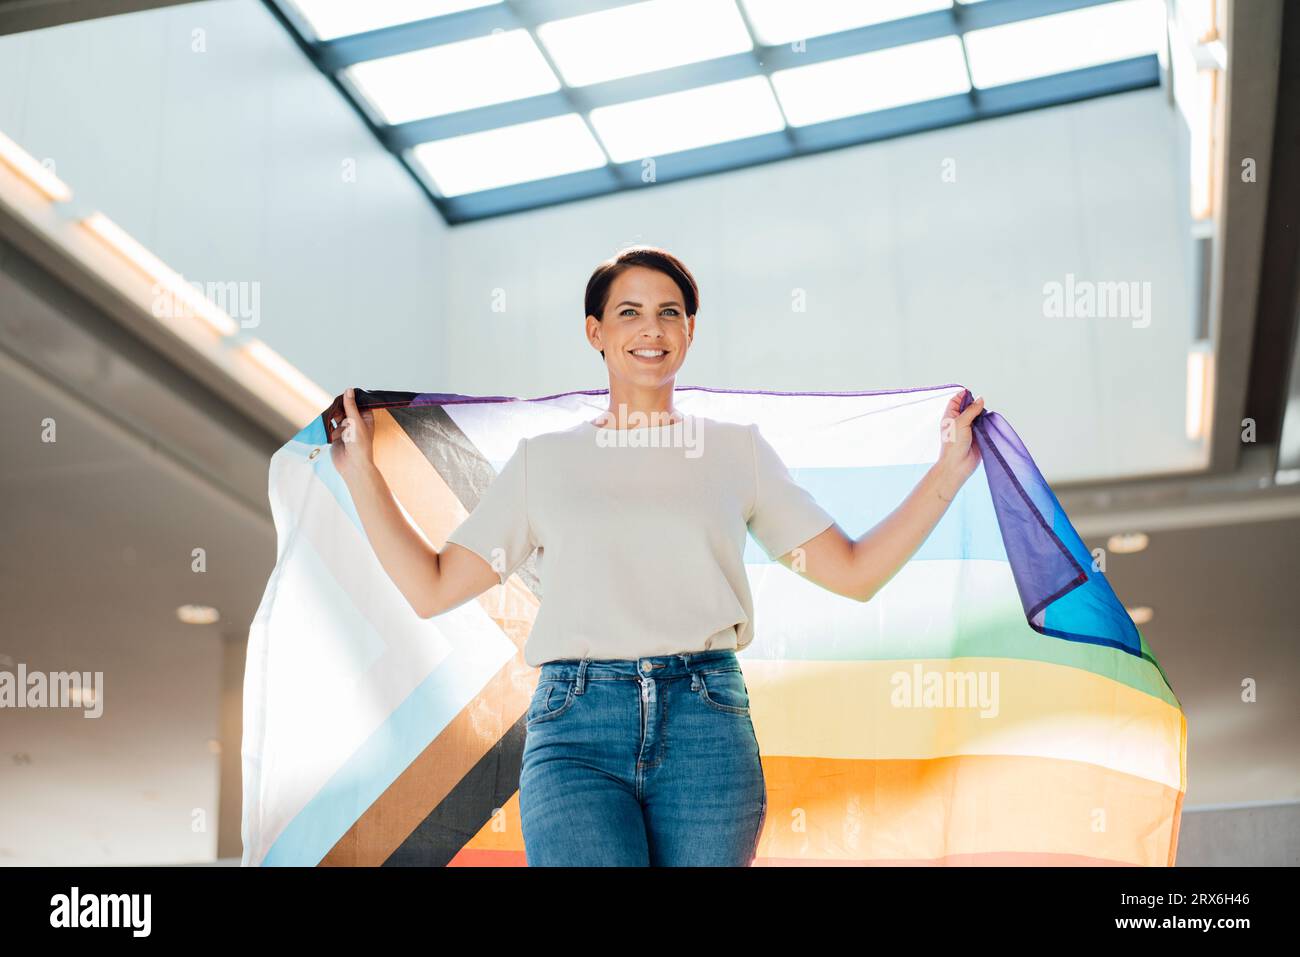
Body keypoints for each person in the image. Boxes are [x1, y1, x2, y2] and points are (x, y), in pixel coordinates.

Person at [328, 245, 985, 866]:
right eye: (629, 311)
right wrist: (361, 475)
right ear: (596, 332)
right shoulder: (545, 462)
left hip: (707, 724)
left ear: (690, 330)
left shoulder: (738, 453)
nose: (652, 327)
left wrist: (948, 475)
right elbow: (433, 585)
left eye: (670, 311)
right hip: (575, 727)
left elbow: (854, 570)